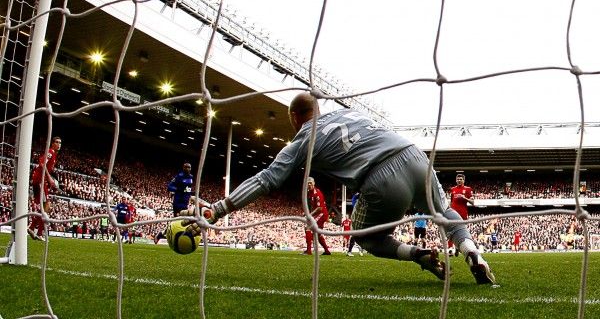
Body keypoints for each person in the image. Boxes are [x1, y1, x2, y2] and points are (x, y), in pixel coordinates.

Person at [188, 92, 494, 284]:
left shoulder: (303, 137)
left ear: (294, 117)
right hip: (414, 156)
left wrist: (218, 209)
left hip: (381, 175)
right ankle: (473, 254)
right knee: (443, 212)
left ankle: (417, 255)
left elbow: (268, 179)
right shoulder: (350, 113)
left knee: (364, 237)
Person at [28, 136, 62, 242]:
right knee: (46, 207)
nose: (59, 144)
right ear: (52, 143)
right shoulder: (51, 152)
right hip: (39, 181)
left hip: (42, 182)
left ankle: (36, 230)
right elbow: (42, 164)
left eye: (60, 142)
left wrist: (52, 181)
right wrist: (50, 179)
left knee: (46, 208)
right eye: (56, 142)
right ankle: (34, 229)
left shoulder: (54, 155)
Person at [154, 162, 194, 244]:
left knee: (181, 221)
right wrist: (177, 189)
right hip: (178, 203)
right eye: (186, 167)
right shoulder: (179, 176)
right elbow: (169, 186)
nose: (187, 169)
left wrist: (190, 196)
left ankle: (163, 234)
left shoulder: (191, 177)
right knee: (178, 221)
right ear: (183, 168)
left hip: (185, 203)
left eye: (189, 167)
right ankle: (166, 235)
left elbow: (188, 189)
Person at [301, 177, 331, 255]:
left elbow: (319, 208)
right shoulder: (310, 192)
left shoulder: (317, 193)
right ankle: (327, 251)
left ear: (314, 183)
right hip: (320, 214)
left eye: (310, 183)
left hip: (321, 213)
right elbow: (313, 206)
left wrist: (309, 214)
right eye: (308, 183)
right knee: (317, 234)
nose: (309, 184)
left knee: (308, 227)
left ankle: (308, 251)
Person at [448, 173, 474, 256]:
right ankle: (450, 250)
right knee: (451, 231)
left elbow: (473, 202)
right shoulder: (452, 189)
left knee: (461, 232)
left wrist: (464, 198)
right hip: (453, 213)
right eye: (458, 179)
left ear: (464, 180)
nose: (459, 180)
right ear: (456, 180)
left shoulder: (468, 189)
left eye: (461, 179)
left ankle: (457, 248)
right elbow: (451, 202)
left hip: (463, 214)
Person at [346, 192, 364, 257]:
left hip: (360, 220)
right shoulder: (356, 204)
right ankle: (351, 251)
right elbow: (354, 197)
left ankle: (359, 249)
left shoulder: (362, 204)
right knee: (355, 236)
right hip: (356, 220)